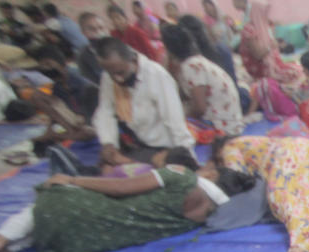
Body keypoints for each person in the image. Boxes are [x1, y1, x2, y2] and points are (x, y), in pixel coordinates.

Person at [0, 164, 230, 252]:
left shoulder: (181, 175)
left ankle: (3, 240)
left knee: (43, 208)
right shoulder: (211, 215)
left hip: (73, 210)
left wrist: (72, 179)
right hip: (81, 241)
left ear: (211, 174)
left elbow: (120, 188)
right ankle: (9, 245)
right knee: (30, 233)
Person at [215, 136, 309, 252]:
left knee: (286, 197)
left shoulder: (229, 147)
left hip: (290, 153)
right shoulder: (253, 141)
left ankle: (303, 243)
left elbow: (235, 174)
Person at [92, 37, 194, 166]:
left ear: (133, 61)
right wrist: (108, 142)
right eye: (111, 74)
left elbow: (175, 121)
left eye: (120, 73)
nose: (117, 79)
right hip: (142, 144)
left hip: (168, 147)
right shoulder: (110, 76)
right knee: (107, 168)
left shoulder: (156, 75)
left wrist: (184, 157)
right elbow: (105, 110)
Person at [162, 25, 244, 136]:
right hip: (231, 123)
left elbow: (200, 108)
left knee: (172, 127)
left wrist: (182, 118)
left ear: (170, 50)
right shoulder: (196, 61)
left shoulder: (191, 66)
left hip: (223, 129)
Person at [177, 14, 250, 113]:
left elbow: (199, 106)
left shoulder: (195, 63)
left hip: (222, 110)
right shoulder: (220, 48)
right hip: (236, 101)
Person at [234, 0, 305, 100]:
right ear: (258, 12)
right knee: (295, 74)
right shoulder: (249, 29)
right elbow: (258, 55)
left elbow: (272, 46)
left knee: (299, 68)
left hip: (272, 65)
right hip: (260, 69)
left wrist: (277, 45)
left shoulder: (265, 26)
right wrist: (270, 47)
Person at [30, 45, 97, 147]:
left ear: (61, 63)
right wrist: (49, 129)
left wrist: (84, 121)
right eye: (42, 66)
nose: (46, 69)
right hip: (75, 119)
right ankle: (68, 134)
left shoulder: (80, 81)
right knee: (37, 95)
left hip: (90, 119)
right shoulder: (58, 84)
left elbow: (91, 109)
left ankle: (62, 136)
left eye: (48, 64)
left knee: (89, 132)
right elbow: (55, 111)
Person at [77, 12, 107, 84]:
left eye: (101, 28)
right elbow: (92, 82)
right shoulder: (83, 56)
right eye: (92, 29)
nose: (98, 32)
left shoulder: (117, 45)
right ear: (83, 32)